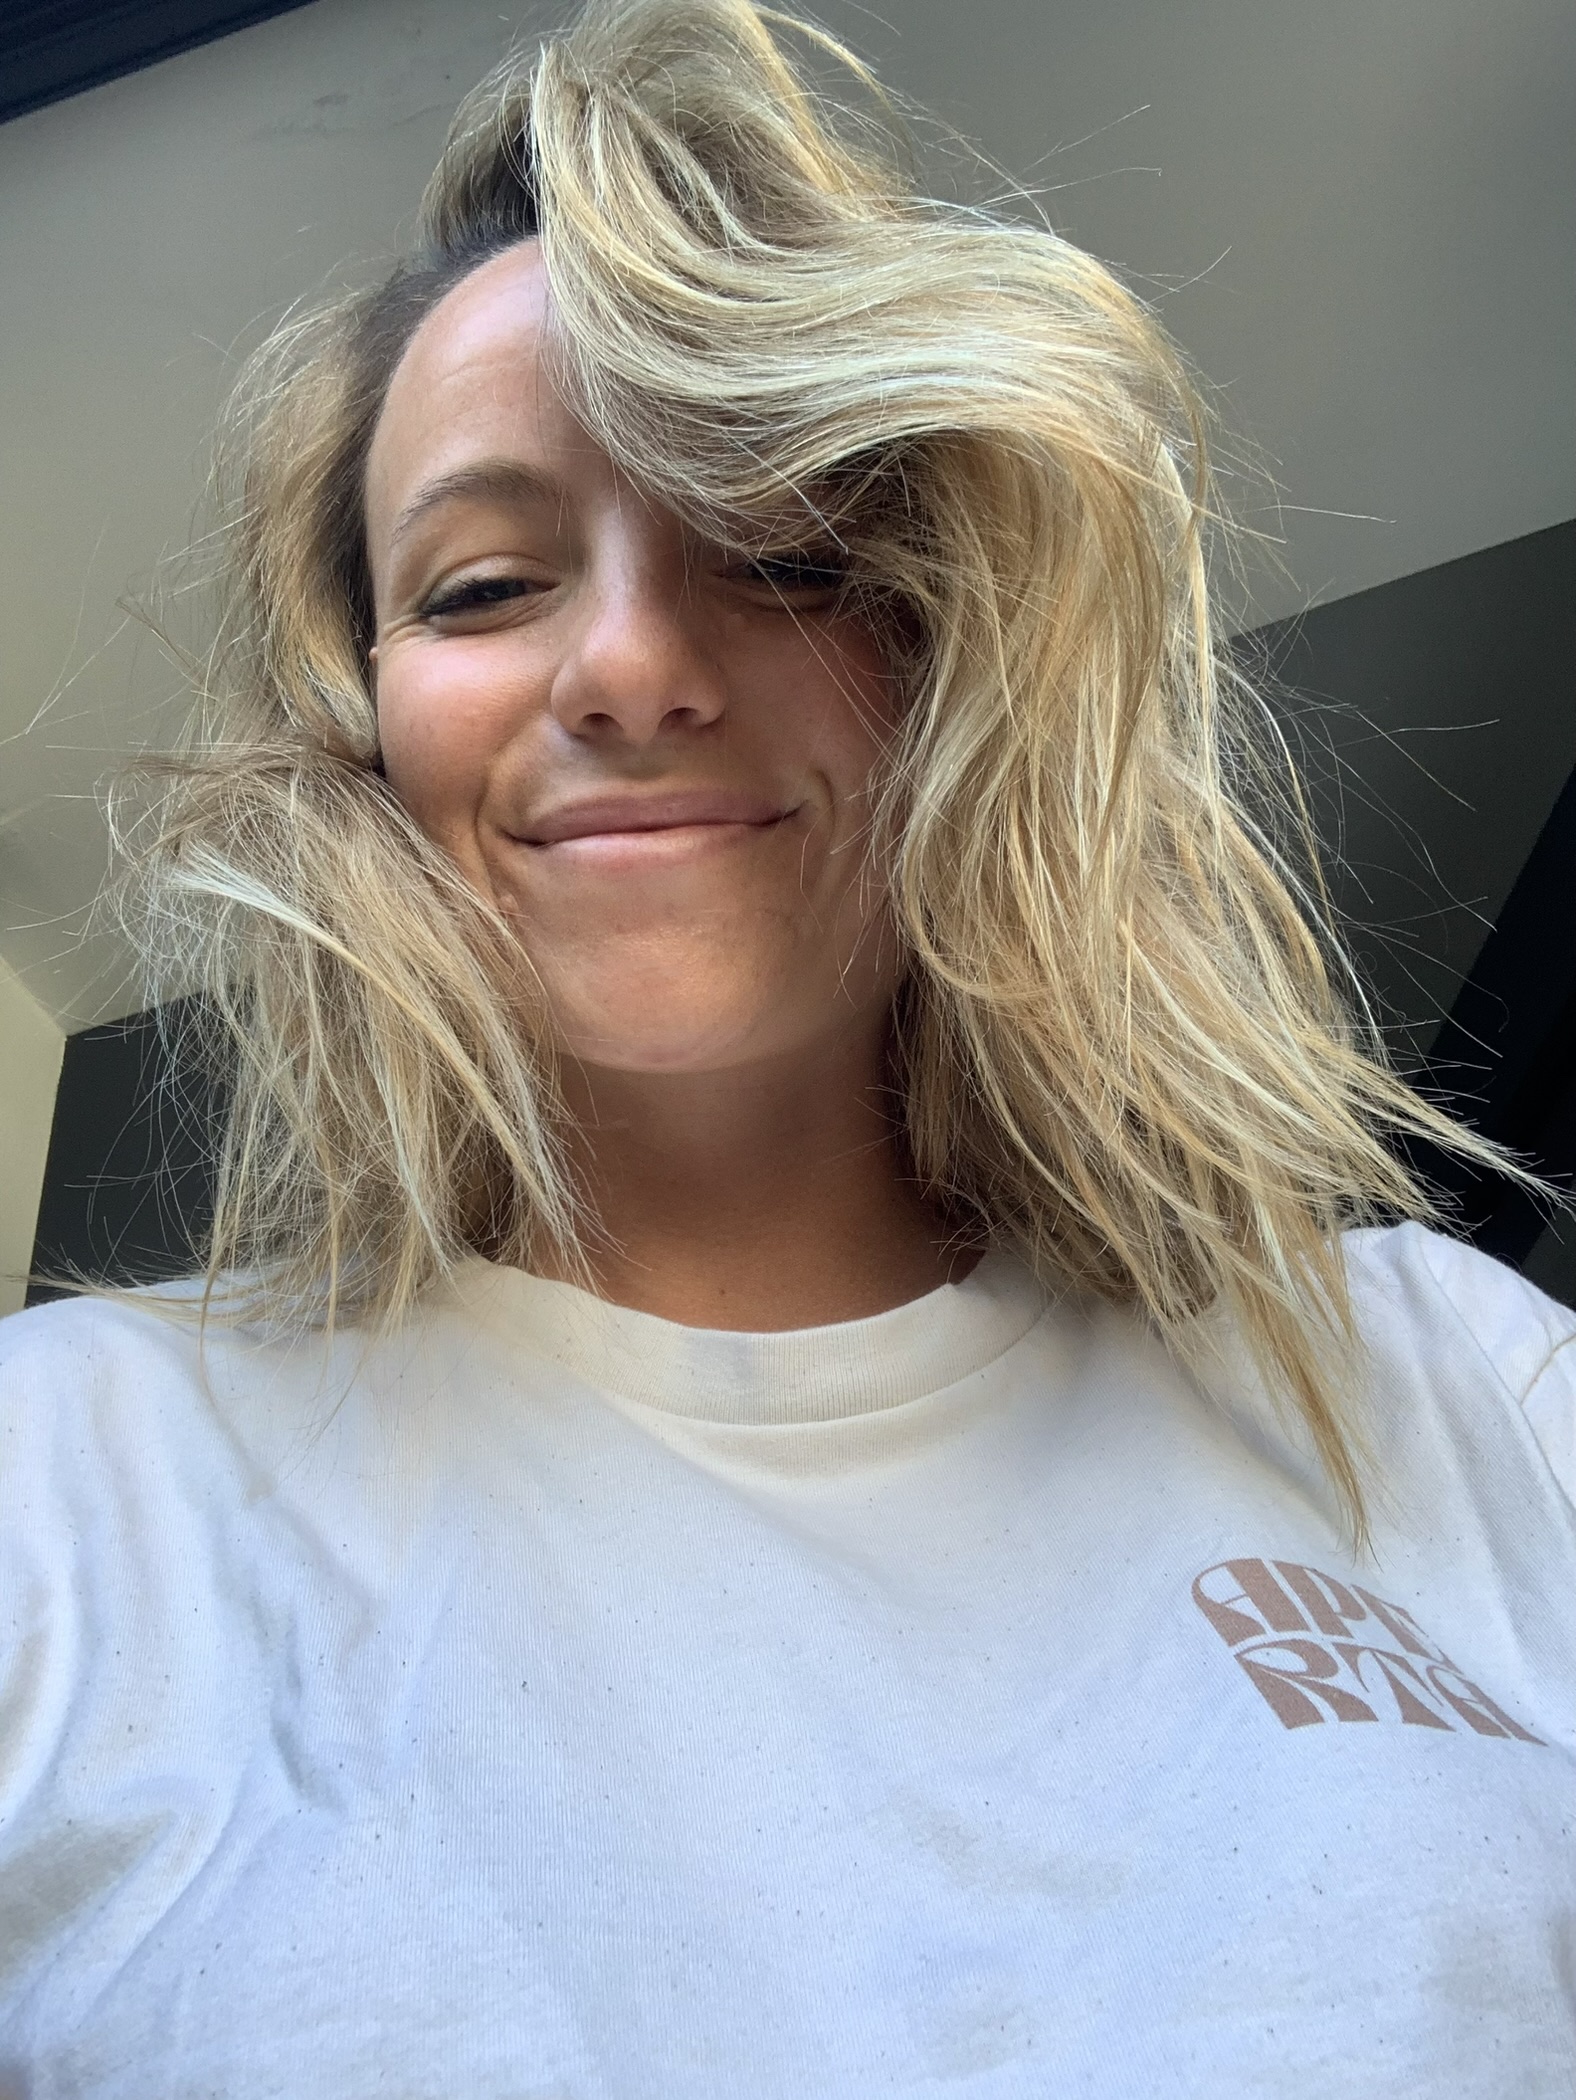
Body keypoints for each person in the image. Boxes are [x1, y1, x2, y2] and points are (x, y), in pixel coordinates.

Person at [1, 1, 1572, 2091]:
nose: (633, 664)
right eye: (482, 586)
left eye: (785, 552)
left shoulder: (1458, 1389)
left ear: (948, 653)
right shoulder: (70, 1480)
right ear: (361, 725)